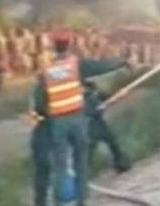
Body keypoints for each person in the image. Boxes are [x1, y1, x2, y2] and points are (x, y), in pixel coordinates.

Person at [30, 31, 126, 206]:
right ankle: (82, 201)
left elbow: (39, 102)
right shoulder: (76, 64)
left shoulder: (47, 72)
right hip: (77, 119)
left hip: (57, 122)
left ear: (54, 47)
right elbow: (101, 66)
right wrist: (122, 62)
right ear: (69, 45)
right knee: (80, 162)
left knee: (60, 165)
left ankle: (60, 202)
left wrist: (48, 114)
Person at [83, 81, 130, 173]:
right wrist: (101, 107)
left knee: (113, 143)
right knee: (89, 151)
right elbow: (91, 112)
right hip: (89, 126)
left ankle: (121, 164)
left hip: (100, 123)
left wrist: (119, 94)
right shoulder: (80, 99)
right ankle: (83, 175)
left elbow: (108, 98)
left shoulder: (94, 92)